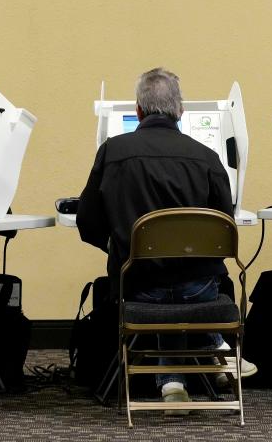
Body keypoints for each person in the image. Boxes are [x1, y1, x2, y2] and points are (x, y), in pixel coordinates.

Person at [76, 68, 257, 408]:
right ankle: (210, 348)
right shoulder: (208, 158)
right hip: (199, 288)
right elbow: (223, 224)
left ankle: (173, 381)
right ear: (181, 111)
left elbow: (87, 220)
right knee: (183, 284)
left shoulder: (112, 152)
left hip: (138, 284)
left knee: (155, 287)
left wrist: (117, 246)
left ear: (138, 110)